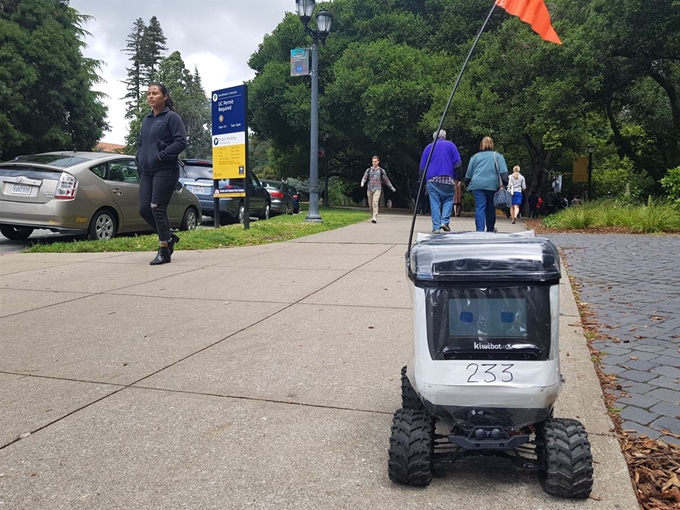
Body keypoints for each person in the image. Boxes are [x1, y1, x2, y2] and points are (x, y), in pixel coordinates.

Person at [137, 83, 187, 265]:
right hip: (147, 171)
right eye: (149, 94)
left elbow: (181, 142)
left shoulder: (172, 118)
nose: (151, 96)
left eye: (155, 93)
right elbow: (141, 143)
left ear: (164, 97)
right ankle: (169, 237)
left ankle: (164, 250)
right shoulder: (146, 120)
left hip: (165, 169)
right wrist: (139, 158)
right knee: (143, 209)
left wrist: (162, 156)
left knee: (157, 208)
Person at [419, 129, 462, 233]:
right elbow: (458, 163)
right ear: (444, 136)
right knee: (448, 200)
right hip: (448, 178)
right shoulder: (451, 145)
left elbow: (422, 167)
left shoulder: (429, 147)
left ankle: (436, 227)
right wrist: (458, 178)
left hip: (432, 179)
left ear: (434, 137)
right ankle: (445, 221)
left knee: (435, 202)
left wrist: (421, 181)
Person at [465, 136, 508, 232]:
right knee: (490, 208)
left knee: (480, 207)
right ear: (492, 144)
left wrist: (467, 184)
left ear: (481, 145)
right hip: (492, 185)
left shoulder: (475, 157)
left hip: (477, 185)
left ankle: (480, 231)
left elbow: (469, 174)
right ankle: (490, 229)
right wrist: (505, 184)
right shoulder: (498, 156)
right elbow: (504, 174)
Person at [360, 155, 396, 223]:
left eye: (375, 161)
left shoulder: (381, 171)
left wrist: (392, 188)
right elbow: (364, 178)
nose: (374, 163)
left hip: (377, 189)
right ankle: (372, 214)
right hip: (369, 189)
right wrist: (362, 183)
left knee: (375, 203)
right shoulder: (369, 170)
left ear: (378, 162)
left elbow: (386, 180)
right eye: (373, 161)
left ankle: (374, 217)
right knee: (370, 204)